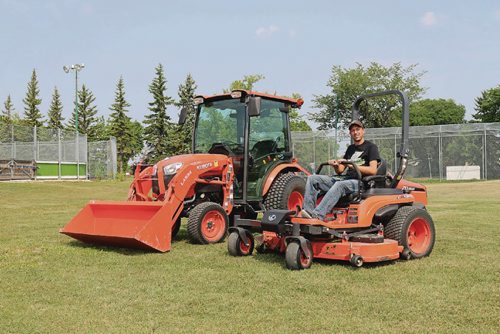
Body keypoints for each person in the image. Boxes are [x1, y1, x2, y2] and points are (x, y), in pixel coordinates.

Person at [300, 120, 380, 220]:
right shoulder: (350, 148)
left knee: (339, 185)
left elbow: (373, 170)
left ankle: (317, 215)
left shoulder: (371, 147)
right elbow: (340, 171)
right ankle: (308, 212)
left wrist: (352, 165)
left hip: (360, 182)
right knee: (312, 179)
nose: (355, 132)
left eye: (358, 129)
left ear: (363, 131)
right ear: (350, 133)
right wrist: (335, 164)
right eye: (353, 130)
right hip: (345, 179)